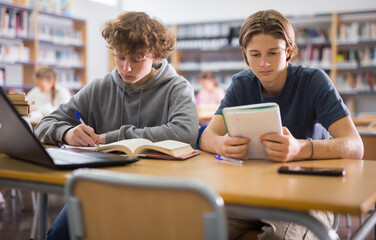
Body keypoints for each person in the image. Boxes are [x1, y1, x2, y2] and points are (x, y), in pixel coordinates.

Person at [199, 9, 363, 240]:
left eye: (273, 53)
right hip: (252, 191)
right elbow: (208, 136)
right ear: (245, 55)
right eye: (255, 54)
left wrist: (301, 148)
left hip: (309, 194)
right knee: (199, 228)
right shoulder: (241, 84)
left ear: (289, 51)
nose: (264, 63)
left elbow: (355, 145)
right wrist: (221, 145)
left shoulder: (313, 81)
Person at [35, 11, 198, 240]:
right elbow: (44, 124)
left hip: (159, 191)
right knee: (58, 235)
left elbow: (185, 133)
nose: (126, 68)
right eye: (120, 57)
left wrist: (109, 138)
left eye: (137, 59)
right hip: (101, 188)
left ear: (156, 55)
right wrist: (67, 132)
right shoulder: (100, 87)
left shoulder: (177, 88)